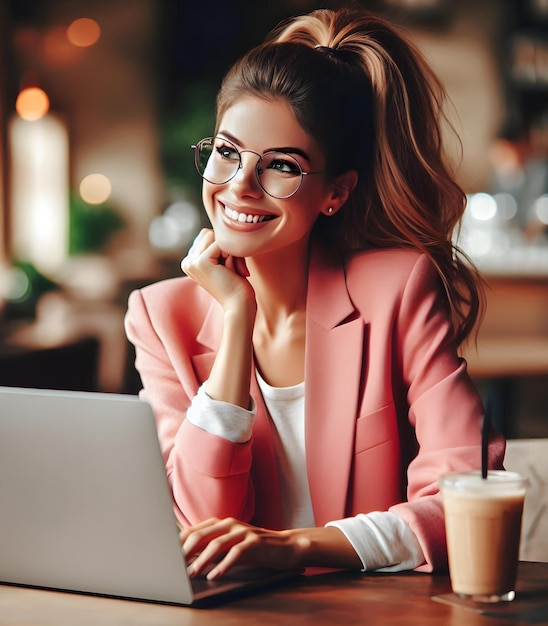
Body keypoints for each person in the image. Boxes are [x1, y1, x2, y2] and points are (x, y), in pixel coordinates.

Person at [125, 7, 505, 580]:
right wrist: (235, 317)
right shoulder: (160, 316)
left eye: (281, 165)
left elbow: (468, 497)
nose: (240, 187)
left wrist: (299, 548)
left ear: (336, 191)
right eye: (227, 152)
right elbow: (200, 525)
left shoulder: (399, 289)